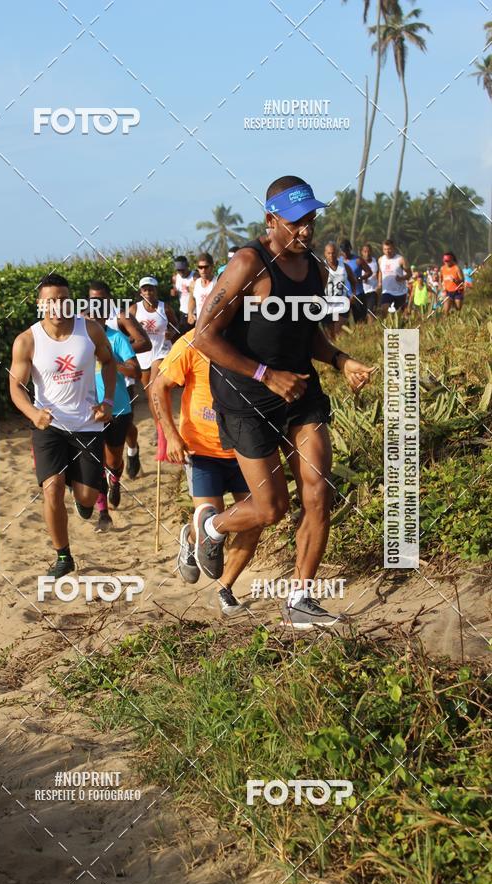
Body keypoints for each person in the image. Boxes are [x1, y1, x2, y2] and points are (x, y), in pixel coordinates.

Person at [194, 175, 376, 630]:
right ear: (271, 219)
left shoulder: (314, 267)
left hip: (300, 393)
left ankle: (300, 598)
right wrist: (264, 374)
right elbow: (203, 336)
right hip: (246, 398)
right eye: (295, 222)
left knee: (318, 492)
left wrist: (339, 358)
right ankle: (211, 527)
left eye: (311, 220)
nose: (306, 230)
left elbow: (306, 332)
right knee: (270, 508)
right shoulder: (248, 265)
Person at [9, 274, 116, 576]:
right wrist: (32, 413)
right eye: (50, 300)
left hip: (87, 424)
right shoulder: (27, 340)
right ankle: (63, 557)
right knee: (52, 489)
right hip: (49, 426)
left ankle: (85, 491)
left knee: (85, 498)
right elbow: (16, 386)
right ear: (40, 303)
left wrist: (107, 402)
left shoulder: (90, 330)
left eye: (62, 299)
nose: (57, 305)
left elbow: (108, 362)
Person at [152, 329, 262, 616]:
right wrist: (171, 436)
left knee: (256, 519)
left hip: (244, 449)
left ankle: (224, 588)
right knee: (212, 518)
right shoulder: (192, 341)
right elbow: (158, 387)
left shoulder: (254, 338)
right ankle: (192, 537)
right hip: (201, 450)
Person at [87, 280, 142, 532]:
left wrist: (111, 363)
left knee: (113, 460)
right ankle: (103, 514)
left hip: (118, 407)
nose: (93, 316)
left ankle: (115, 479)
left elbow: (136, 372)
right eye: (89, 311)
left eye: (97, 312)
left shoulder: (117, 338)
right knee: (95, 462)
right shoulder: (79, 342)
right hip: (89, 411)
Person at [93, 283, 150, 480]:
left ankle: (133, 450)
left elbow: (145, 342)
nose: (96, 303)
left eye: (100, 299)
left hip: (122, 385)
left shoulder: (121, 318)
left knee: (128, 428)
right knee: (98, 454)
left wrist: (113, 357)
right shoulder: (85, 326)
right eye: (93, 299)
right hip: (94, 398)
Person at [131, 276, 179, 433]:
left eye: (151, 289)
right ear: (141, 292)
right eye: (145, 289)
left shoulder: (165, 308)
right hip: (143, 355)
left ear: (156, 291)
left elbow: (176, 326)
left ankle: (165, 428)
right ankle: (160, 427)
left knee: (155, 389)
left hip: (162, 352)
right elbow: (126, 330)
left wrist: (171, 333)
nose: (148, 292)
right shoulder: (134, 309)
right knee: (150, 395)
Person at [323, 241, 356, 339]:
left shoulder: (344, 266)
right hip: (327, 304)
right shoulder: (321, 267)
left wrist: (352, 295)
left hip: (342, 303)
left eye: (333, 253)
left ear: (337, 253)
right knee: (330, 336)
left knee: (338, 331)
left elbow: (353, 281)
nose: (331, 255)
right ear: (325, 253)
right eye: (329, 253)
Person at [338, 239, 371, 324]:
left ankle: (362, 336)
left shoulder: (358, 260)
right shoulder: (339, 261)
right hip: (344, 296)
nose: (345, 253)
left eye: (347, 251)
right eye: (343, 251)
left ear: (350, 249)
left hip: (357, 295)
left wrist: (359, 278)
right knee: (342, 321)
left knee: (360, 322)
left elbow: (369, 272)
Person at [377, 238, 410, 314]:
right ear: (382, 250)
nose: (387, 251)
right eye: (385, 249)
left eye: (389, 249)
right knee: (384, 310)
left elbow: (409, 274)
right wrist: (379, 283)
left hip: (400, 292)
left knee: (399, 315)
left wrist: (401, 278)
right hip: (386, 291)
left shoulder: (401, 259)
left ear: (393, 248)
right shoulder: (380, 260)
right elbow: (380, 272)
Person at [188, 253, 217, 324]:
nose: (203, 270)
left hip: (214, 326)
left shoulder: (218, 283)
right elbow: (192, 299)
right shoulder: (194, 284)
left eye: (206, 267)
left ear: (212, 266)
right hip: (199, 325)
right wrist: (190, 313)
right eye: (200, 267)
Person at [171, 256, 196, 333]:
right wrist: (173, 293)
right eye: (178, 270)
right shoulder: (175, 278)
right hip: (183, 312)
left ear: (187, 266)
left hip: (196, 312)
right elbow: (174, 291)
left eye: (182, 270)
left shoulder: (195, 276)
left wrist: (192, 290)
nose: (181, 272)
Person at [360, 243, 379, 320]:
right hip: (361, 292)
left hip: (372, 291)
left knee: (370, 313)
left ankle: (372, 330)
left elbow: (380, 274)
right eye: (365, 251)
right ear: (362, 252)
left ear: (371, 252)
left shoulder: (376, 262)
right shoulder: (358, 262)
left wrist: (379, 287)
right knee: (361, 316)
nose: (367, 254)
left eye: (368, 251)